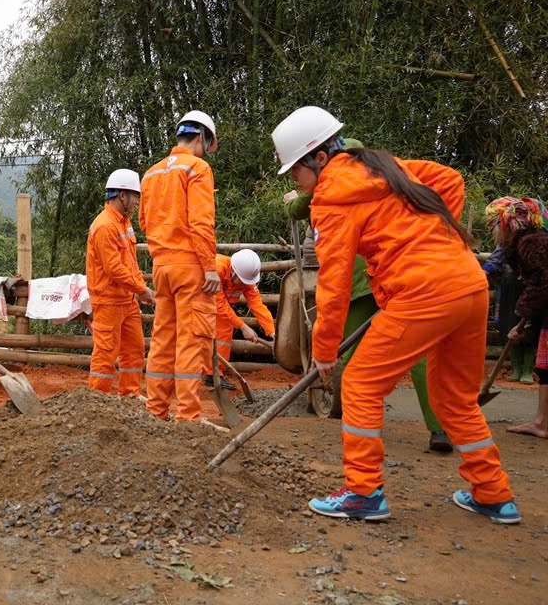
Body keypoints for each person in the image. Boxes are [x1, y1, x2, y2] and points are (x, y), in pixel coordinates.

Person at [272, 106, 519, 524]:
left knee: (362, 384)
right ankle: (493, 494)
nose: (294, 181)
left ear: (318, 157)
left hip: (422, 292)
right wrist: (438, 236)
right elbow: (451, 182)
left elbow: (333, 281)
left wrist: (325, 350)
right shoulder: (386, 166)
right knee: (455, 398)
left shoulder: (331, 198)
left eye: (294, 170)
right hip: (469, 285)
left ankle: (363, 492)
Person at [283, 138, 453, 454]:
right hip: (396, 277)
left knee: (348, 354)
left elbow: (296, 210)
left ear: (324, 160)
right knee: (419, 354)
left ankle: (353, 421)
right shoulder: (384, 176)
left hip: (359, 280)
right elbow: (449, 180)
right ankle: (439, 427)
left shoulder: (330, 191)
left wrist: (291, 198)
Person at [140, 110, 219, 422]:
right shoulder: (197, 168)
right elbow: (201, 223)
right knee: (190, 341)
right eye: (207, 145)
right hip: (190, 267)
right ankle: (188, 418)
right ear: (200, 137)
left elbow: (145, 221)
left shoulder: (151, 173)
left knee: (162, 340)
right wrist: (209, 266)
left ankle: (156, 411)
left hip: (161, 267)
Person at [86, 169, 154, 396]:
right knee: (105, 354)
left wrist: (139, 289)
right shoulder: (105, 225)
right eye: (135, 196)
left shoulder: (124, 223)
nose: (136, 201)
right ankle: (98, 400)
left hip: (127, 299)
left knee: (134, 351)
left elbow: (130, 263)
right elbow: (114, 269)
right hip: (107, 301)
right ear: (122, 195)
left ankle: (129, 396)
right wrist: (142, 289)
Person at [486, 196, 548, 439]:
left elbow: (543, 283)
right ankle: (542, 422)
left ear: (507, 225)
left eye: (494, 225)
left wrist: (521, 317)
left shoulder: (532, 243)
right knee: (544, 366)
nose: (493, 232)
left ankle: (543, 422)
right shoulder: (525, 244)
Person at [204, 251, 274, 390]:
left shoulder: (247, 278)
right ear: (233, 271)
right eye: (242, 281)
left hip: (215, 305)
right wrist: (243, 327)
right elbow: (219, 304)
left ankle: (214, 375)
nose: (244, 285)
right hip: (197, 299)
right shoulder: (217, 268)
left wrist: (272, 332)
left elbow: (257, 305)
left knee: (225, 327)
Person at [483, 244, 538, 385]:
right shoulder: (506, 242)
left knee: (529, 328)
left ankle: (527, 370)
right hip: (509, 289)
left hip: (530, 289)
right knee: (508, 326)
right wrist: (484, 272)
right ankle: (516, 369)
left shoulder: (537, 238)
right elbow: (493, 262)